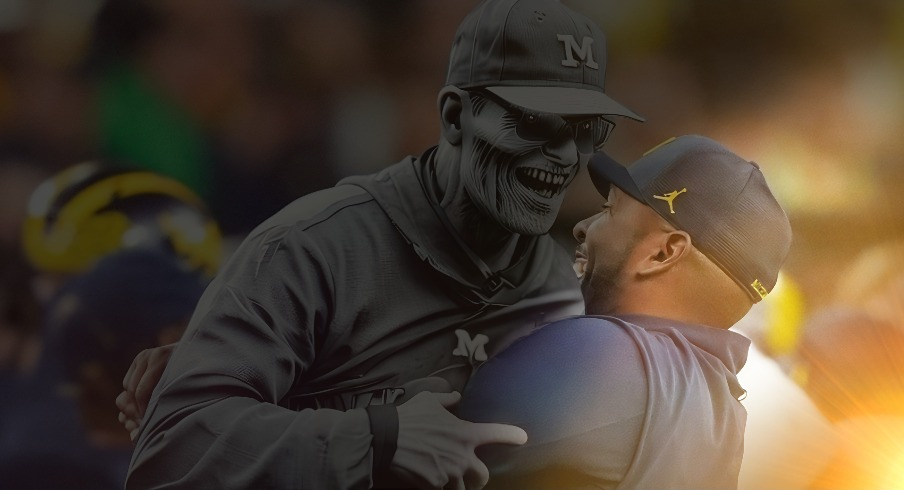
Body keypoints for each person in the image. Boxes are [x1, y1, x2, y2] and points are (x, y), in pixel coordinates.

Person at [124, 1, 643, 489]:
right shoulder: (313, 251)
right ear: (456, 116)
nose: (564, 155)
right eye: (534, 122)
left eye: (587, 130)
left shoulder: (562, 287)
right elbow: (170, 446)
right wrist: (375, 440)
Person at [457, 135, 793, 489]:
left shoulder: (600, 354)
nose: (582, 226)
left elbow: (422, 450)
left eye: (609, 210)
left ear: (663, 253)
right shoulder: (721, 405)